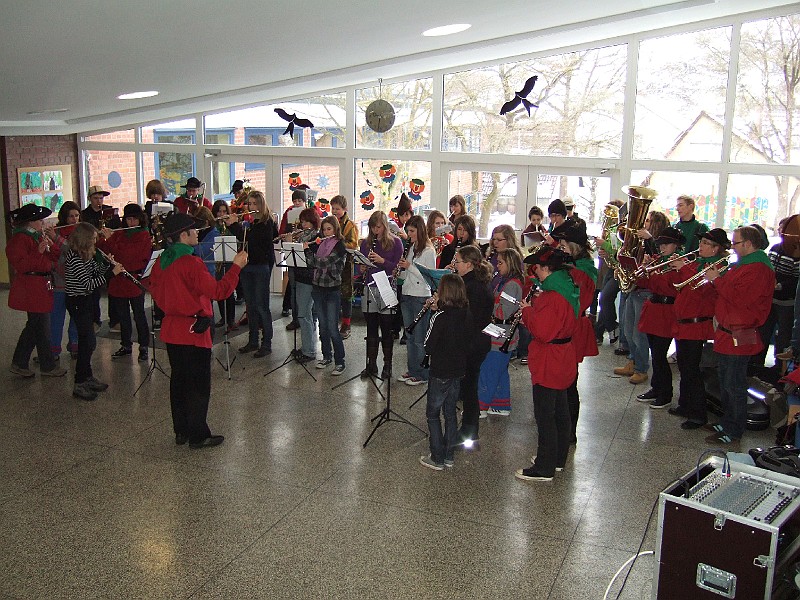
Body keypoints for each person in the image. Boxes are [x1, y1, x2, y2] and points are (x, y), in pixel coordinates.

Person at [149, 213, 248, 449]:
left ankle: (181, 430)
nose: (197, 234)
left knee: (179, 381)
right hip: (193, 330)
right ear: (183, 236)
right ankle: (198, 435)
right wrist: (235, 267)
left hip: (172, 328)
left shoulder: (160, 262)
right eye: (193, 231)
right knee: (198, 385)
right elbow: (219, 291)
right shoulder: (191, 262)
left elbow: (154, 291)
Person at [704, 226, 775, 446]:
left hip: (740, 334)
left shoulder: (759, 268)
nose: (732, 247)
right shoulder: (745, 265)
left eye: (735, 243)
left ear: (748, 244)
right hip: (728, 332)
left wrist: (717, 279)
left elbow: (741, 298)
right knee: (725, 381)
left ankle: (734, 430)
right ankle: (727, 421)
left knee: (734, 384)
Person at [515, 247, 580, 482]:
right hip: (563, 356)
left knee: (545, 415)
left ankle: (544, 466)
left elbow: (543, 331)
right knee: (561, 410)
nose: (536, 274)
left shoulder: (553, 297)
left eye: (538, 270)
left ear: (547, 269)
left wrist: (528, 312)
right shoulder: (568, 287)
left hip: (549, 360)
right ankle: (558, 458)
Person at [667, 228, 730, 429]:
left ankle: (698, 414)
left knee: (692, 370)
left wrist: (684, 268)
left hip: (697, 325)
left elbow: (703, 292)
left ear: (716, 249)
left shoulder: (717, 268)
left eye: (705, 244)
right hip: (684, 324)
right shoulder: (698, 264)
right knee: (684, 368)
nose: (700, 246)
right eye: (701, 242)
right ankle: (685, 404)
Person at [419, 274, 473, 471]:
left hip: (440, 370)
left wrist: (433, 314)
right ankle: (449, 455)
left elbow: (428, 346)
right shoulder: (467, 313)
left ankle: (437, 457)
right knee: (450, 413)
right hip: (458, 370)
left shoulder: (440, 317)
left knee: (433, 414)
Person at [7, 203, 67, 378]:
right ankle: (46, 366)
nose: (43, 223)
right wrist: (39, 253)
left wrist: (51, 244)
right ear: (31, 222)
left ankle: (20, 362)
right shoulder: (19, 239)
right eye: (39, 220)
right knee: (41, 327)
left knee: (35, 326)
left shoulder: (36, 237)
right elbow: (22, 265)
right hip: (31, 286)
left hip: (42, 285)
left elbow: (53, 256)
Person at [65, 223, 124, 399]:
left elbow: (95, 273)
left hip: (87, 299)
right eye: (92, 238)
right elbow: (89, 284)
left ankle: (87, 376)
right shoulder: (74, 257)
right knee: (87, 341)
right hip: (77, 301)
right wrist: (112, 273)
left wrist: (106, 265)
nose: (95, 241)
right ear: (83, 238)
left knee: (88, 341)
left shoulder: (87, 254)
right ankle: (79, 383)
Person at [554, 225, 598, 443]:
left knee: (569, 382)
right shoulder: (570, 266)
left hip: (574, 328)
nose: (560, 249)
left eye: (563, 245)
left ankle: (569, 430)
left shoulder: (584, 270)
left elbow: (580, 299)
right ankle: (560, 424)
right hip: (564, 324)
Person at [613, 210, 668, 384]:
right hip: (635, 288)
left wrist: (650, 238)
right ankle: (633, 360)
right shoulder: (642, 241)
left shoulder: (659, 242)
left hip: (646, 292)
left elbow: (658, 261)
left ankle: (641, 368)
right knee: (628, 331)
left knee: (639, 334)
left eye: (649, 221)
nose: (645, 223)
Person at [634, 227, 684, 409]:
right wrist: (643, 269)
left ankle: (666, 393)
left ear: (676, 245)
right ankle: (656, 388)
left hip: (667, 310)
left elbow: (673, 287)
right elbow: (642, 283)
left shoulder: (678, 263)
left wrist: (654, 274)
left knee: (659, 355)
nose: (662, 247)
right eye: (661, 244)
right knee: (654, 354)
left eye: (667, 244)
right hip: (653, 309)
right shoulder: (657, 261)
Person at [226, 190, 278, 358]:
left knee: (262, 306)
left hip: (261, 267)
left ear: (262, 205)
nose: (252, 207)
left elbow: (253, 241)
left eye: (255, 204)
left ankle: (267, 343)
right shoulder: (250, 223)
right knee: (250, 305)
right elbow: (244, 241)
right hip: (246, 266)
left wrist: (234, 225)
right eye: (250, 204)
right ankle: (253, 340)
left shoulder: (267, 222)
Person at [98, 203, 152, 362]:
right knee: (123, 316)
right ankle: (126, 345)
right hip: (118, 280)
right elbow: (103, 250)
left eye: (135, 219)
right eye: (128, 219)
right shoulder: (120, 234)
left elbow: (129, 255)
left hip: (133, 279)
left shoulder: (144, 235)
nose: (132, 223)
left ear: (140, 219)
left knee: (139, 315)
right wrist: (103, 237)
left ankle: (143, 346)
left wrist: (111, 242)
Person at [451, 245, 494, 443]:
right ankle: (468, 426)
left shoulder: (472, 287)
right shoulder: (472, 282)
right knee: (468, 385)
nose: (454, 265)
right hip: (474, 341)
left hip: (472, 343)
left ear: (468, 264)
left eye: (458, 262)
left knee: (469, 387)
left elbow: (468, 318)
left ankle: (469, 430)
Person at [477, 248, 524, 416]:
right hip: (501, 333)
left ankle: (481, 407)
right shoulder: (505, 281)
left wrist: (487, 304)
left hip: (502, 335)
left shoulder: (512, 285)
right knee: (500, 371)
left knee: (488, 370)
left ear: (510, 264)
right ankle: (501, 404)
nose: (498, 266)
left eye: (501, 263)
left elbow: (503, 312)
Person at [359, 211, 404, 379]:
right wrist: (362, 268)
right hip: (369, 287)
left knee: (386, 328)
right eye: (372, 227)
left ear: (385, 226)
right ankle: (371, 365)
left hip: (386, 287)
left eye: (378, 227)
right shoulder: (366, 243)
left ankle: (388, 365)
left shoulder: (396, 242)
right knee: (371, 328)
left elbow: (397, 270)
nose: (375, 230)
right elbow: (360, 265)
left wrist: (382, 261)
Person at [752, 217, 800, 373]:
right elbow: (769, 269)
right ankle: (757, 364)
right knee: (763, 332)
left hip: (787, 302)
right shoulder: (775, 248)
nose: (781, 231)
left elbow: (795, 279)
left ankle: (780, 369)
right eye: (780, 228)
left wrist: (779, 285)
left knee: (783, 336)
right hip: (770, 299)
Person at [305, 215, 347, 375]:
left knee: (332, 327)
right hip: (318, 287)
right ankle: (327, 356)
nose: (326, 232)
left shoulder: (339, 246)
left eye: (329, 229)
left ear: (336, 229)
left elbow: (322, 262)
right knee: (322, 326)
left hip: (332, 290)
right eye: (324, 229)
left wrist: (307, 250)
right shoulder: (321, 243)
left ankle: (340, 361)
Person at [397, 215, 436, 386]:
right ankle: (412, 370)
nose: (409, 234)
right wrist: (400, 272)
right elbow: (408, 272)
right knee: (410, 336)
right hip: (407, 293)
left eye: (412, 231)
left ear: (420, 230)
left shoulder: (429, 251)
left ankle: (423, 374)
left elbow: (429, 276)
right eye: (408, 231)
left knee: (419, 339)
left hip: (421, 296)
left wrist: (409, 267)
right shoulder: (412, 247)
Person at [49, 201, 80, 360]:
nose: (74, 219)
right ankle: (54, 350)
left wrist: (56, 239)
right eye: (70, 216)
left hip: (75, 282)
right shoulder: (57, 231)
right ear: (64, 218)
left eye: (76, 216)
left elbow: (74, 250)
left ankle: (74, 345)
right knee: (56, 318)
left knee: (75, 317)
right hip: (59, 281)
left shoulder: (81, 232)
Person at [292, 208, 321, 363]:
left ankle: (309, 351)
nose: (303, 225)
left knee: (304, 315)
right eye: (302, 221)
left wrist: (305, 249)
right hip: (300, 278)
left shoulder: (316, 238)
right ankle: (307, 346)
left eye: (306, 221)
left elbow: (313, 262)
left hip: (308, 279)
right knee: (305, 314)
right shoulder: (302, 237)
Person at [329, 195, 359, 339]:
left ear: (345, 209)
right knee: (333, 294)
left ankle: (346, 325)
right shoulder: (330, 223)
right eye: (333, 208)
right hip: (331, 264)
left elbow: (353, 244)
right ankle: (333, 322)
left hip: (346, 265)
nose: (334, 211)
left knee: (346, 296)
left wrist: (338, 244)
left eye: (338, 209)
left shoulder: (350, 225)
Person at [279, 189, 308, 324]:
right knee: (292, 283)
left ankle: (303, 316)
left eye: (299, 201)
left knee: (302, 288)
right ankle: (294, 317)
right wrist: (287, 235)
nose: (296, 203)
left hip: (305, 254)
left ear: (304, 202)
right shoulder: (289, 213)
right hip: (292, 250)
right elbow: (282, 230)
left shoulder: (309, 213)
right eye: (294, 201)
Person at [210, 200, 237, 330]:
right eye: (219, 211)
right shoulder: (213, 226)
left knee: (229, 290)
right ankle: (223, 317)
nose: (222, 214)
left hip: (229, 259)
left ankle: (231, 319)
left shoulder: (230, 225)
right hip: (217, 260)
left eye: (224, 211)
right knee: (219, 288)